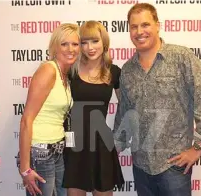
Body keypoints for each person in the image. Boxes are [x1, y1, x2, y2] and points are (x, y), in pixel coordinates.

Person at [113, 3, 201, 196]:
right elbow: (124, 114)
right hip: (141, 167)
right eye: (134, 26)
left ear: (157, 25)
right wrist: (113, 149)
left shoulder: (181, 57)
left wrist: (197, 147)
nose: (139, 31)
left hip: (173, 167)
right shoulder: (127, 70)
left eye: (145, 25)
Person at [63, 20, 124, 196]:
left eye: (95, 41)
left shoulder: (114, 72)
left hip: (101, 144)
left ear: (104, 42)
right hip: (75, 145)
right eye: (84, 42)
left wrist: (118, 135)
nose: (90, 47)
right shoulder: (71, 70)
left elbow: (126, 106)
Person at [18, 23, 80, 196]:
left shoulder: (65, 75)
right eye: (64, 44)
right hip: (40, 152)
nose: (71, 49)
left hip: (57, 150)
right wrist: (25, 168)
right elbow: (26, 120)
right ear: (54, 47)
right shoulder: (48, 70)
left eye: (75, 44)